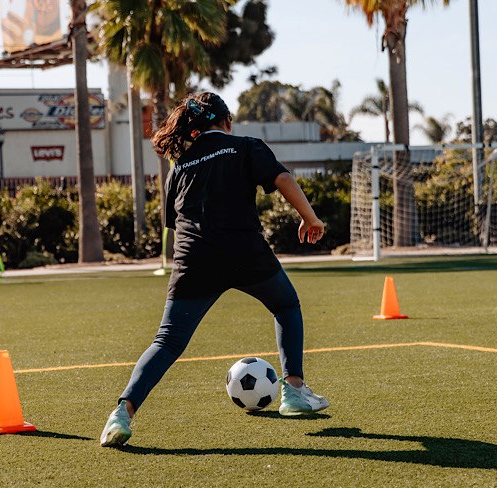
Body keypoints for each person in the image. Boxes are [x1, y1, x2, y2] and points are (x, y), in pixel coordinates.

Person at [100, 92, 329, 447]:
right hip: (245, 251)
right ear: (226, 121)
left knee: (167, 341)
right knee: (285, 306)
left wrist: (189, 265)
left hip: (194, 259)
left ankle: (121, 414)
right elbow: (283, 179)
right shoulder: (246, 146)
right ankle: (295, 391)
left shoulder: (180, 166)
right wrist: (310, 219)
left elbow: (174, 227)